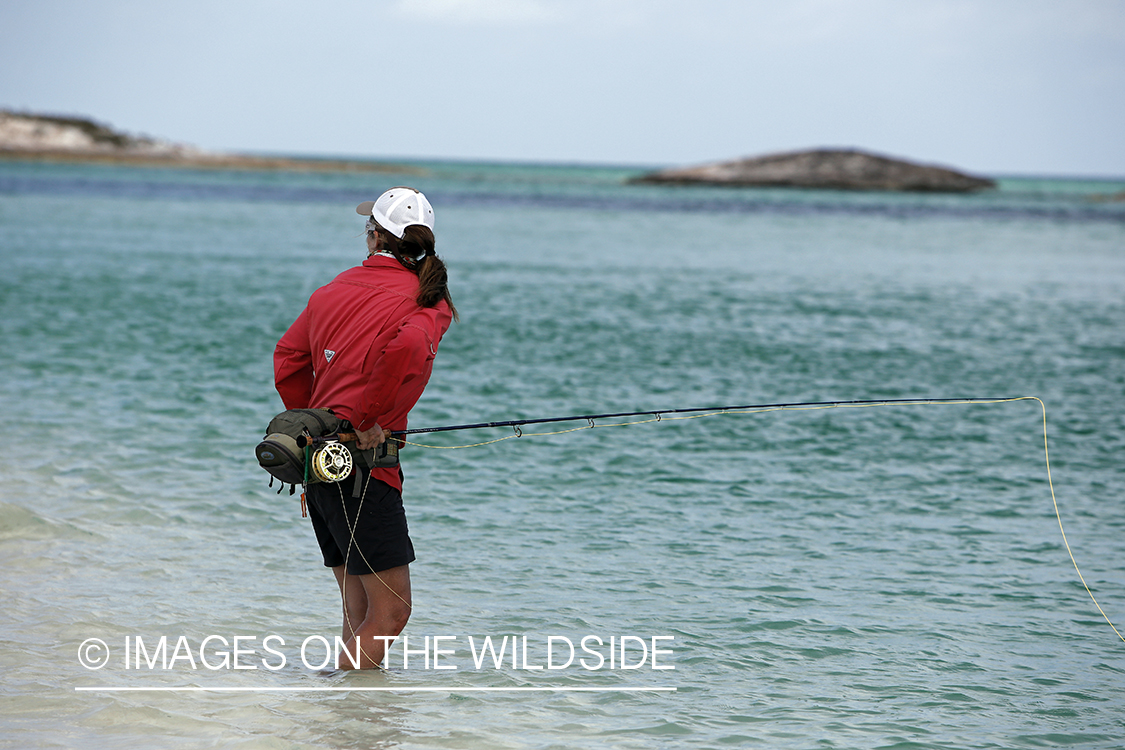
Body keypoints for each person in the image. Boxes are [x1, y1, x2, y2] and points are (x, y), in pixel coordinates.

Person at [273, 187, 457, 669]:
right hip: (366, 471)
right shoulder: (427, 300)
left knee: (359, 609)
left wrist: (316, 428)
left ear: (374, 235)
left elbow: (288, 360)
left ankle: (345, 724)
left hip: (318, 463)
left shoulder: (331, 290)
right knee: (392, 612)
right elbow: (409, 350)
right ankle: (345, 711)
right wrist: (370, 420)